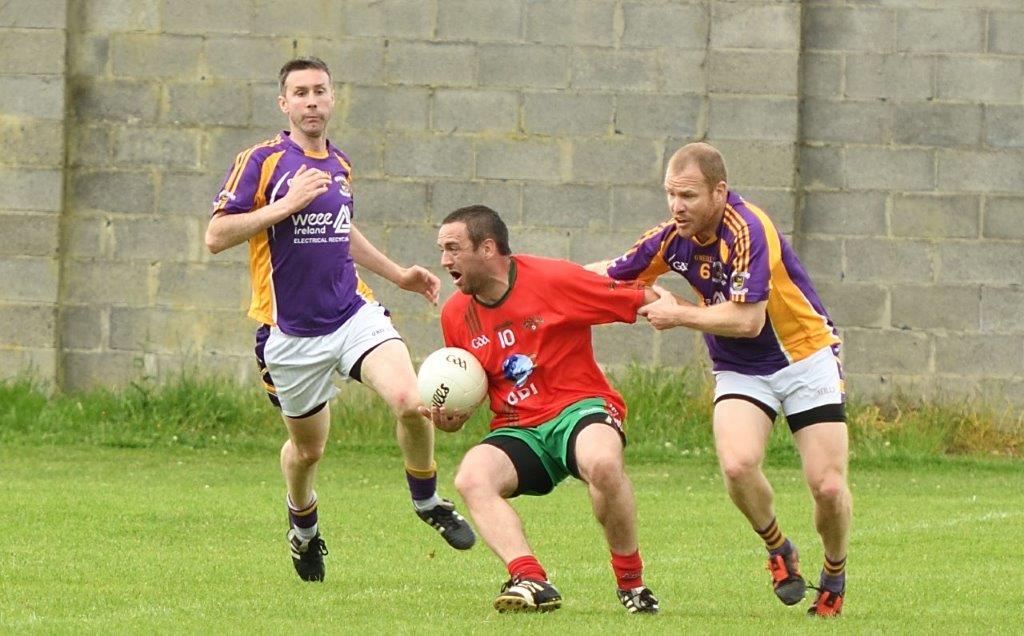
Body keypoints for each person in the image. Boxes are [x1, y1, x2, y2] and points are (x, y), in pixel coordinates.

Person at [204, 56, 475, 582]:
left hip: (353, 314)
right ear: (284, 103)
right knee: (308, 451)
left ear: (332, 99)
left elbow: (341, 230)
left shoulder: (340, 165)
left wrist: (398, 274)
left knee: (410, 401)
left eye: (319, 91)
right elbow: (216, 236)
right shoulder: (261, 161)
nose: (311, 101)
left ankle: (427, 500)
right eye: (300, 92)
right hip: (289, 337)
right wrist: (286, 206)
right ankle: (302, 525)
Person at [587, 142, 852, 618]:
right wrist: (533, 282)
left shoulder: (749, 228)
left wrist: (680, 314)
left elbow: (749, 320)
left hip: (804, 358)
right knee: (737, 466)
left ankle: (833, 573)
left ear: (719, 192)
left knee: (827, 487)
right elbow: (608, 275)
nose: (676, 207)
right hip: (741, 367)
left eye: (687, 196)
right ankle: (779, 548)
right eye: (670, 195)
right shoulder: (671, 238)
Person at [419, 205, 659, 615]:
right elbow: (474, 388)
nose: (444, 261)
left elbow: (644, 299)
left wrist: (697, 315)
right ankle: (531, 577)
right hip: (519, 426)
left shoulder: (554, 279)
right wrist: (452, 419)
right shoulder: (456, 315)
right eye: (442, 250)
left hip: (578, 406)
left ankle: (631, 583)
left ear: (488, 247)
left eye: (453, 249)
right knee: (472, 477)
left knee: (601, 462)